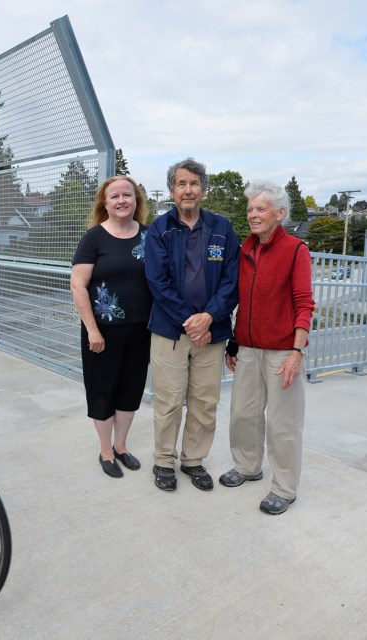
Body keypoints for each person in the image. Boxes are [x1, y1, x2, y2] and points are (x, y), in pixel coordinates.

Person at [144, 158, 239, 492]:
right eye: (181, 184)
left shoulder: (222, 228)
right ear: (172, 190)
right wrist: (190, 321)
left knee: (204, 402)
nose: (188, 190)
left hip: (211, 334)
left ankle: (193, 461)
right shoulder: (160, 229)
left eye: (194, 183)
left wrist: (209, 317)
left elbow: (232, 280)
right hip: (171, 332)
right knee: (169, 402)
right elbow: (157, 282)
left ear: (204, 189)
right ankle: (163, 461)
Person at [221, 180, 314, 515]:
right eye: (250, 209)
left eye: (260, 209)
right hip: (246, 348)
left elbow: (304, 304)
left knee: (282, 423)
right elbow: (241, 300)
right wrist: (233, 341)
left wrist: (296, 351)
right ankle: (247, 467)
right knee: (243, 414)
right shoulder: (245, 250)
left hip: (281, 351)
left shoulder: (295, 250)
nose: (253, 215)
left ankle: (285, 488)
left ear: (280, 213)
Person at [71, 176, 152, 479]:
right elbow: (78, 286)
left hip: (141, 329)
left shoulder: (148, 235)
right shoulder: (94, 238)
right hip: (102, 331)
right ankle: (106, 450)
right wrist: (92, 329)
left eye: (127, 195)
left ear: (136, 200)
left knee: (130, 390)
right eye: (114, 196)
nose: (121, 201)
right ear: (105, 203)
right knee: (102, 390)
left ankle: (122, 445)